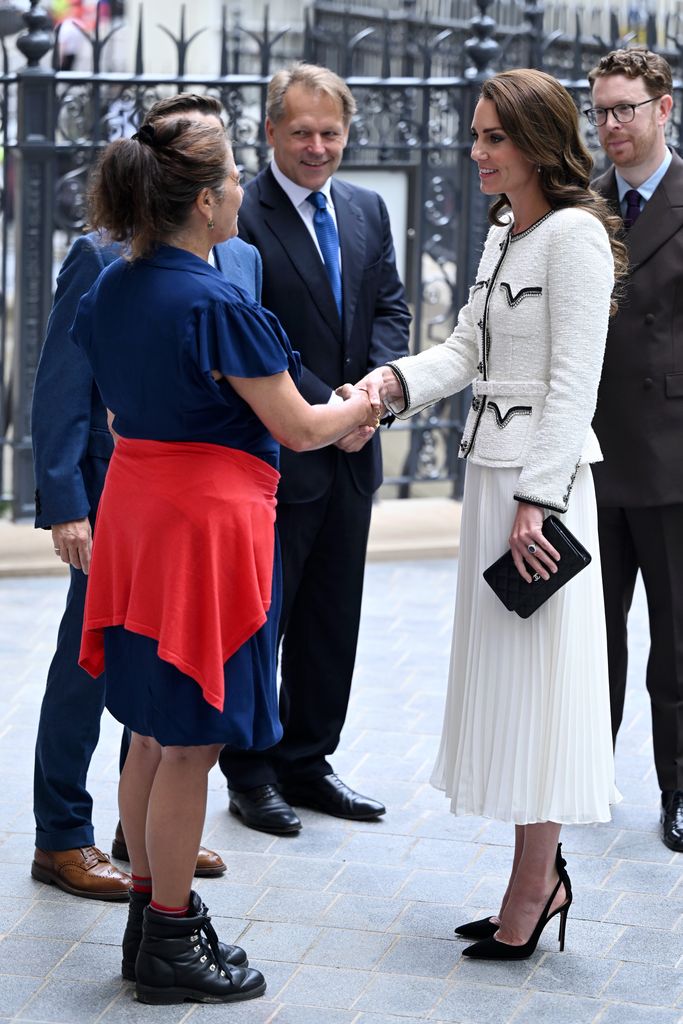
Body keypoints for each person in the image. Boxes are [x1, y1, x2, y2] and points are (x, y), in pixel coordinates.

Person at [70, 110, 378, 1004]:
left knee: (146, 726)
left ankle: (144, 915)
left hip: (137, 515)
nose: (244, 188)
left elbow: (122, 415)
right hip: (203, 533)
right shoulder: (215, 303)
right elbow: (302, 426)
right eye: (236, 176)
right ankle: (170, 939)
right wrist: (374, 401)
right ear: (206, 203)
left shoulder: (114, 284)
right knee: (192, 742)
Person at [358, 68, 625, 960]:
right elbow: (467, 345)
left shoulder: (577, 237)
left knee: (542, 690)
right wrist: (389, 387)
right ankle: (529, 881)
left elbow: (573, 380)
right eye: (476, 136)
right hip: (490, 484)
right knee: (513, 686)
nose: (475, 152)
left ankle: (533, 887)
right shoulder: (510, 228)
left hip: (537, 493)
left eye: (490, 138)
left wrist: (538, 501)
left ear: (536, 143)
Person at [30, 94, 260, 901]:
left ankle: (152, 830)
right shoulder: (100, 258)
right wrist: (64, 500)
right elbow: (61, 381)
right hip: (115, 495)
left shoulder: (240, 255)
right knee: (88, 663)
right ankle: (60, 835)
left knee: (162, 671)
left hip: (199, 513)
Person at [218, 63, 411, 834]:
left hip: (352, 450)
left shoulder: (364, 209)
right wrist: (331, 406)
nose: (317, 146)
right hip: (276, 453)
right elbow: (251, 326)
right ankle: (250, 770)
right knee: (263, 619)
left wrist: (372, 396)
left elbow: (390, 309)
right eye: (301, 132)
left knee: (333, 617)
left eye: (330, 132)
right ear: (269, 133)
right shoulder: (242, 216)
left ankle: (308, 762)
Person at [587, 49, 683, 851]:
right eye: (601, 112)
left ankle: (678, 788)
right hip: (589, 455)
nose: (611, 125)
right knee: (592, 635)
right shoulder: (582, 207)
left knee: (677, 639)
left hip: (672, 455)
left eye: (625, 109)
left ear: (663, 108)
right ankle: (587, 776)